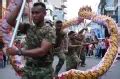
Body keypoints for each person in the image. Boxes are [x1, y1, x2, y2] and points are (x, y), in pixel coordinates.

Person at [6, 1, 56, 79]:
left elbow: (42, 51)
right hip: (28, 70)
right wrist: (20, 5)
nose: (34, 15)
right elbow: (10, 20)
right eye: (32, 13)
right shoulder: (28, 28)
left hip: (44, 72)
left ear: (44, 14)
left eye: (37, 13)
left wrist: (18, 52)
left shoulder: (49, 30)